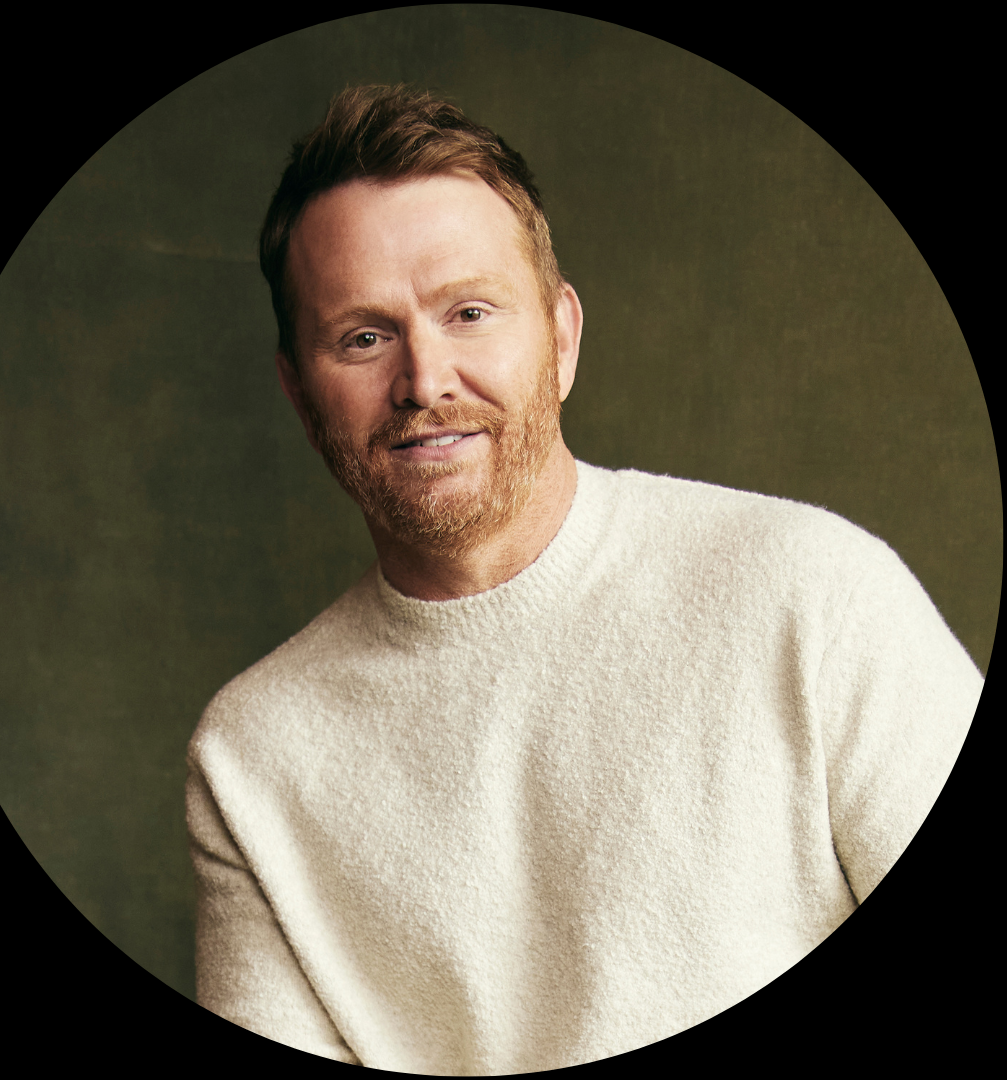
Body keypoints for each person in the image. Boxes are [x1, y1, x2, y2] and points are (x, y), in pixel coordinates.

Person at [186, 85, 982, 1072]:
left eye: (469, 312)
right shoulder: (253, 753)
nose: (424, 380)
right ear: (301, 396)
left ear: (561, 338)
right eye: (363, 336)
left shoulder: (813, 597)